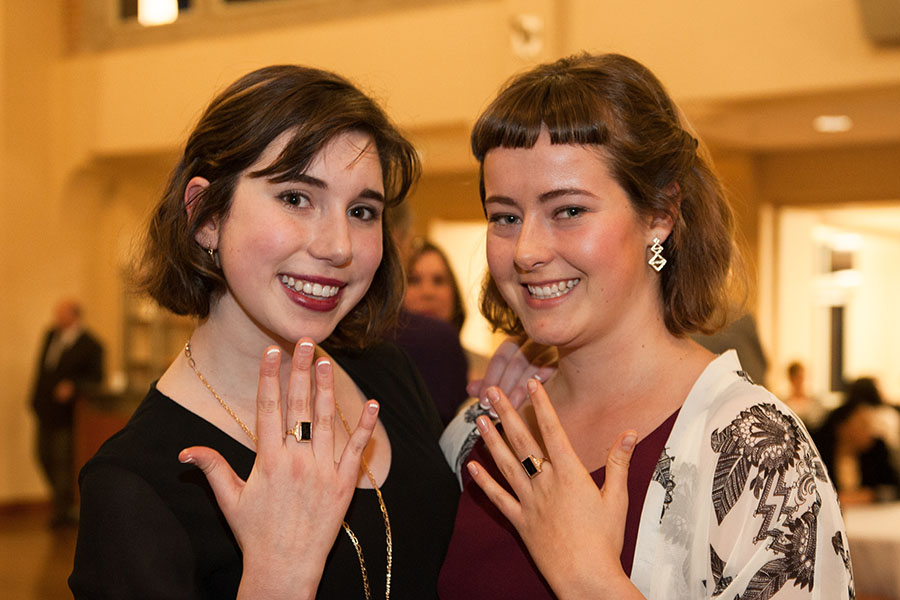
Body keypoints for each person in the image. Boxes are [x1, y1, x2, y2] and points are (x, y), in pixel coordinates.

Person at [439, 53, 853, 599]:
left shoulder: (754, 453)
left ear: (659, 213)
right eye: (505, 216)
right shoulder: (479, 428)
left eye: (568, 210)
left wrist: (592, 580)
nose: (526, 251)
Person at [69, 65, 461, 598]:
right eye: (297, 198)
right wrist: (277, 578)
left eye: (363, 210)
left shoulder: (386, 374)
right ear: (206, 214)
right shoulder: (137, 484)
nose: (339, 246)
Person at [30, 298, 104, 529]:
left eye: (61, 313)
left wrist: (73, 386)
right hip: (45, 409)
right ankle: (63, 502)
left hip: (68, 415)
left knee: (63, 461)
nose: (56, 318)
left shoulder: (92, 346)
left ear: (74, 316)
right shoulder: (51, 335)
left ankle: (62, 510)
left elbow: (96, 379)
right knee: (42, 455)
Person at [814, 377, 900, 505]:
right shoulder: (819, 454)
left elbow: (893, 488)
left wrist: (867, 495)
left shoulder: (877, 450)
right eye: (863, 425)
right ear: (842, 427)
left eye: (871, 425)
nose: (870, 431)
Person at [783, 361, 826, 431]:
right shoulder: (784, 404)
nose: (800, 381)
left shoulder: (815, 403)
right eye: (796, 378)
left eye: (801, 377)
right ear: (791, 379)